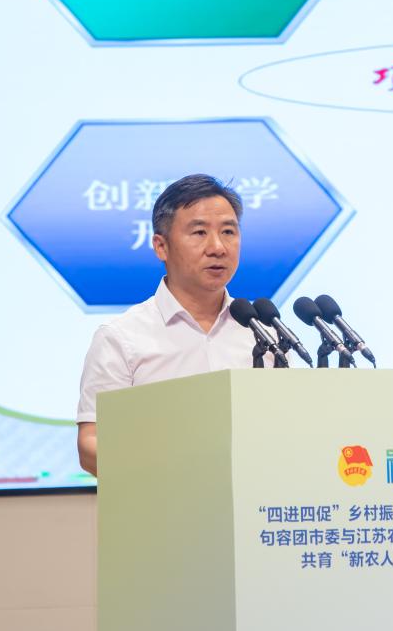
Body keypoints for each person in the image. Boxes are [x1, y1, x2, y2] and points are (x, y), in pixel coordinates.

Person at [75, 174, 261, 475]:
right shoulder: (121, 338)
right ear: (161, 246)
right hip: (161, 499)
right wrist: (168, 467)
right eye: (199, 232)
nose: (218, 247)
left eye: (228, 231)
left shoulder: (262, 333)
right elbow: (90, 444)